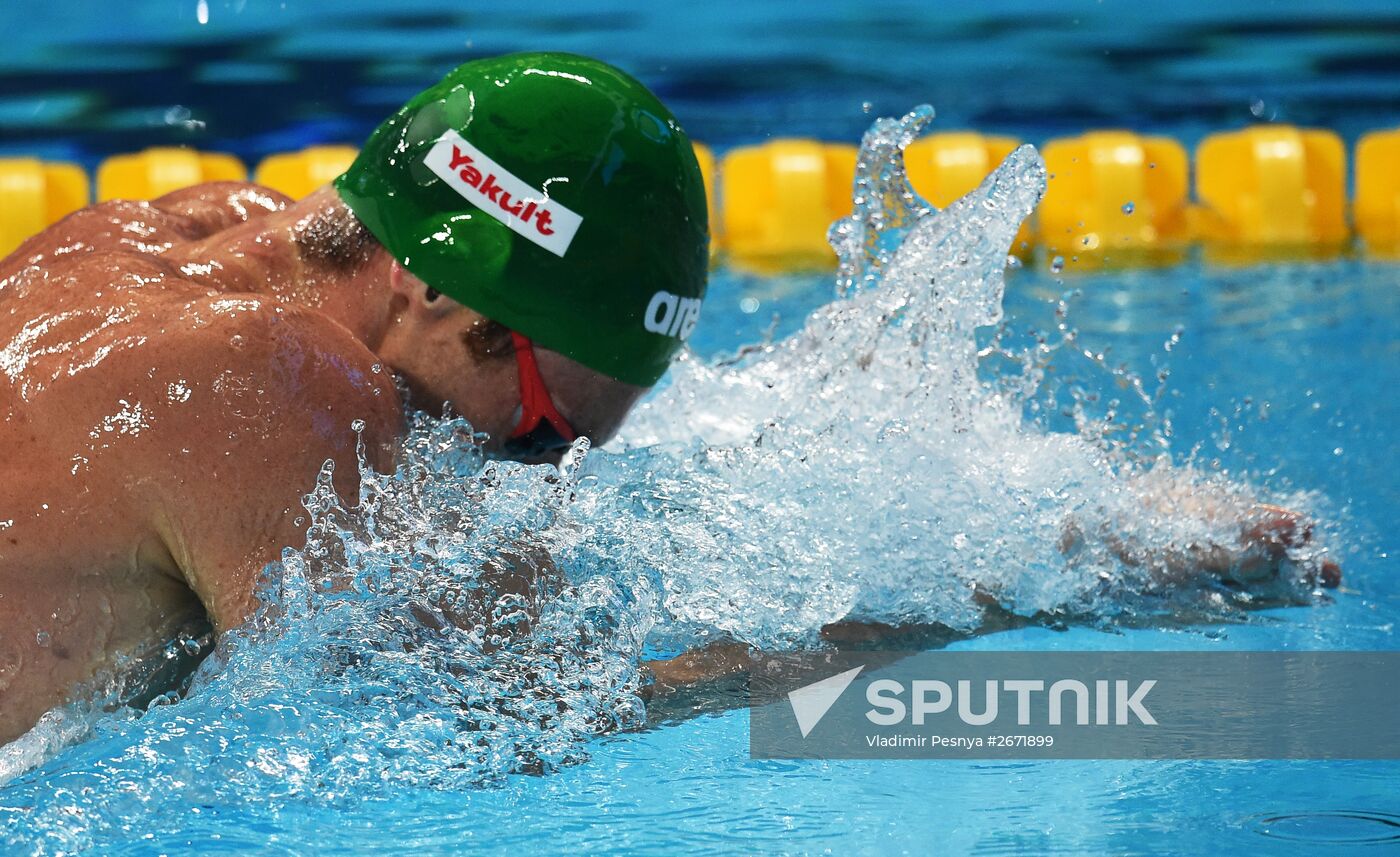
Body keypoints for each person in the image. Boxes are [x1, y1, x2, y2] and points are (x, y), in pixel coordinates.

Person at [0, 52, 1333, 746]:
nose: (533, 467)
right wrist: (1010, 585)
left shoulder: (198, 228)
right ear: (457, 309)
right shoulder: (281, 387)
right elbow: (508, 713)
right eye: (540, 431)